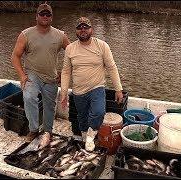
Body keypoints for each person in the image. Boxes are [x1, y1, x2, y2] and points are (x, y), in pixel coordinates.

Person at [11, 2, 70, 147]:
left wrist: (64, 73)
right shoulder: (25, 34)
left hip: (51, 76)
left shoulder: (60, 35)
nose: (45, 16)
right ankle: (33, 130)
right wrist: (22, 75)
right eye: (42, 14)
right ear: (36, 16)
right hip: (32, 74)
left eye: (48, 14)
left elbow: (72, 54)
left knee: (49, 106)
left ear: (51, 17)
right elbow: (15, 56)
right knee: (29, 96)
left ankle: (47, 132)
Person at [60, 17, 123, 151]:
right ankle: (84, 137)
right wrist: (64, 93)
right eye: (80, 28)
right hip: (78, 91)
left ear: (91, 30)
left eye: (86, 27)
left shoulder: (102, 45)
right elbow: (65, 72)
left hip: (97, 87)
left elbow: (112, 67)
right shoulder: (70, 48)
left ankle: (90, 135)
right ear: (76, 31)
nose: (83, 30)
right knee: (82, 117)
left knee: (99, 112)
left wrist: (118, 89)